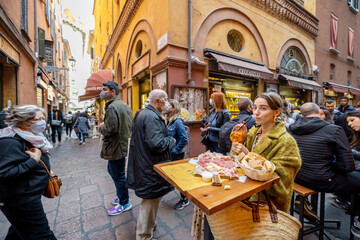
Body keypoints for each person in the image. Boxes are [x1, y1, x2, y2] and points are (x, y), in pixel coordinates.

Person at [231, 92, 301, 212]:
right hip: (243, 193)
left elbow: (280, 185)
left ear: (277, 112)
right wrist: (240, 143)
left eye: (263, 108)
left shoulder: (286, 142)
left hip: (266, 205)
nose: (256, 112)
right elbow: (235, 162)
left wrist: (249, 156)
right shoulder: (253, 133)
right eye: (255, 107)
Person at [288, 103, 359, 222]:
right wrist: (329, 167)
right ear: (321, 112)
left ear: (302, 114)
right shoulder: (334, 129)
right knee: (354, 177)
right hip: (322, 180)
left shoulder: (291, 128)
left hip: (298, 176)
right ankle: (357, 221)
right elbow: (347, 166)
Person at [0, 105, 56, 240]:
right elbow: (4, 174)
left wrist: (46, 170)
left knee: (19, 232)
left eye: (43, 118)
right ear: (23, 121)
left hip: (25, 197)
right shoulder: (10, 141)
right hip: (22, 200)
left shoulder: (31, 137)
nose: (43, 122)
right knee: (42, 235)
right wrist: (33, 161)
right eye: (37, 119)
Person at [127, 89, 176, 240]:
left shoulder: (144, 113)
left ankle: (150, 225)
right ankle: (143, 235)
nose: (167, 102)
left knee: (153, 199)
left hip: (146, 164)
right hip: (150, 167)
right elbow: (157, 144)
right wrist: (171, 140)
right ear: (157, 101)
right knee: (149, 201)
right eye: (165, 99)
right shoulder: (151, 117)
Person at [98, 81, 133, 216]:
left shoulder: (112, 107)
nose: (102, 92)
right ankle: (121, 194)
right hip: (122, 143)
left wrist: (101, 126)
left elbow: (109, 129)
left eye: (105, 89)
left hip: (115, 145)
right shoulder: (124, 105)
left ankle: (125, 202)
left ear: (113, 92)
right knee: (114, 172)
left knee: (118, 175)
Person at [164, 99, 189, 210]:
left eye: (168, 106)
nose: (166, 107)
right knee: (173, 176)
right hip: (170, 154)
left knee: (180, 178)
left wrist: (175, 150)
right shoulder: (169, 120)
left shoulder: (178, 122)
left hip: (177, 155)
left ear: (174, 108)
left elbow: (184, 138)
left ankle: (184, 199)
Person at [345, 110, 360, 237]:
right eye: (348, 122)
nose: (349, 124)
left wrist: (352, 153)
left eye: (352, 120)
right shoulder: (356, 135)